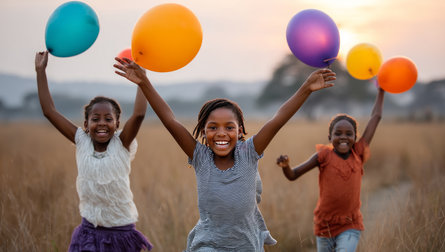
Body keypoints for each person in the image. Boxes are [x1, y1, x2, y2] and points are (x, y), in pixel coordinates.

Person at [114, 57, 336, 251]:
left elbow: (278, 118)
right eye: (213, 127)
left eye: (229, 127)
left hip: (246, 246)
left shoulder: (249, 153)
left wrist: (306, 87)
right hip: (208, 245)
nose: (221, 133)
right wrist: (145, 83)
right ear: (203, 131)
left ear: (240, 131)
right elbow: (170, 120)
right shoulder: (200, 157)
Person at [35, 51, 152, 252]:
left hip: (120, 232)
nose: (102, 123)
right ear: (86, 124)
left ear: (117, 123)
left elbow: (139, 114)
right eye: (95, 118)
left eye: (108, 119)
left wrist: (142, 79)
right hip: (89, 231)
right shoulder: (81, 140)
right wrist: (40, 71)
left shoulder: (122, 143)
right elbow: (49, 111)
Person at [276, 88, 385, 252]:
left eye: (349, 134)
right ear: (329, 137)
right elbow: (293, 175)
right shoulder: (323, 156)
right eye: (338, 133)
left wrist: (381, 91)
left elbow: (375, 117)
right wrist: (286, 166)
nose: (343, 137)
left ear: (355, 138)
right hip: (324, 225)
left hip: (350, 223)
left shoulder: (358, 153)